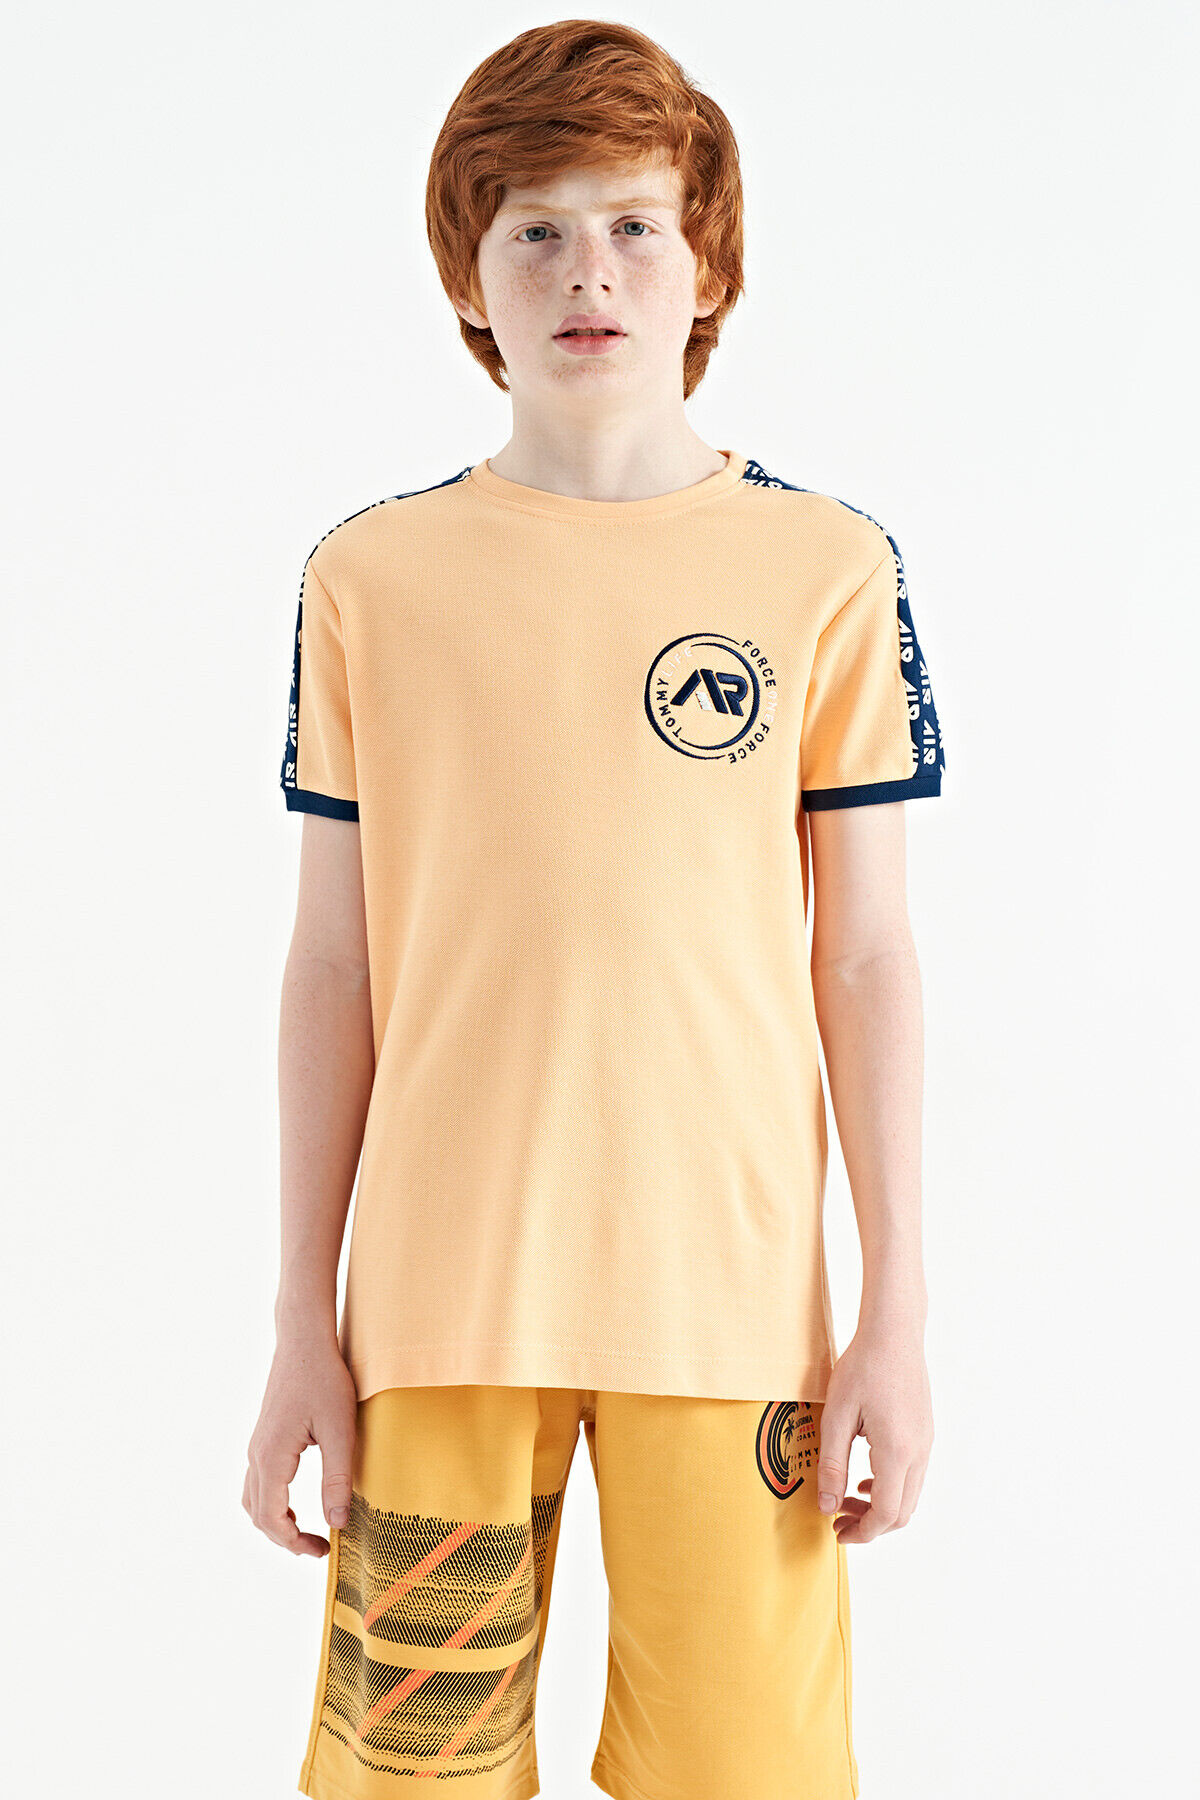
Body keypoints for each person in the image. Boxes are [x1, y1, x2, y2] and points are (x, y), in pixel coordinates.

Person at [243, 20, 944, 1800]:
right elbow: (333, 965)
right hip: (436, 1318)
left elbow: (865, 955)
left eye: (635, 224)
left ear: (708, 262)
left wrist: (897, 1309)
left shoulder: (825, 569)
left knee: (748, 1776)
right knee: (415, 1778)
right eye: (536, 230)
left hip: (730, 1317)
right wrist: (301, 1322)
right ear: (466, 276)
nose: (589, 272)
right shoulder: (371, 579)